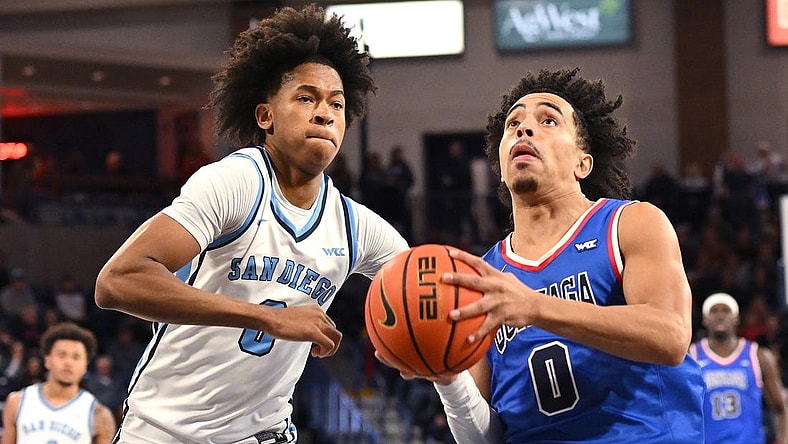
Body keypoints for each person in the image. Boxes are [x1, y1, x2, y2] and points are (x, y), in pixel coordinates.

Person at [93, 4, 408, 443]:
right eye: (305, 98)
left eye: (336, 104)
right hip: (165, 430)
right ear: (265, 117)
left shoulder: (357, 227)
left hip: (262, 433)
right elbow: (117, 282)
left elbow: (428, 290)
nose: (324, 113)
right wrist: (267, 319)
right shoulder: (236, 182)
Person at [382, 67, 705, 443]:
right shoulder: (484, 274)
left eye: (548, 119)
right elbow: (482, 437)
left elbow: (670, 336)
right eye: (512, 123)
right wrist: (448, 377)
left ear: (582, 162)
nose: (524, 128)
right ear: (500, 169)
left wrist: (535, 307)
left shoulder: (629, 223)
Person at [690, 293, 788, 444]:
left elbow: (781, 407)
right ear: (705, 319)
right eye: (714, 311)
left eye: (726, 311)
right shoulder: (692, 356)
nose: (720, 316)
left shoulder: (758, 355)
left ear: (736, 318)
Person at [1, 322, 117, 444]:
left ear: (85, 366)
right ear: (47, 360)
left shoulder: (99, 415)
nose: (68, 362)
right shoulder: (17, 402)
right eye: (62, 355)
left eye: (76, 357)